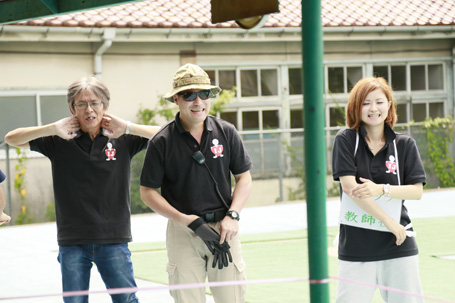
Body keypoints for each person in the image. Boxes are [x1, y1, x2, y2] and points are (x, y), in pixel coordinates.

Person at [5, 76, 160, 303]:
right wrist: (51, 128)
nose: (89, 110)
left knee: (126, 300)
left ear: (105, 107)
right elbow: (11, 139)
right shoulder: (58, 139)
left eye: (95, 103)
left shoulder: (123, 138)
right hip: (72, 241)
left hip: (114, 239)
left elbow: (170, 135)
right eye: (82, 104)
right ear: (72, 108)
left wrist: (127, 126)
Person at [140, 63, 252, 303]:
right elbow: (148, 192)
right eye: (189, 95)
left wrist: (233, 216)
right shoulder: (162, 141)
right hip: (183, 232)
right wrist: (186, 220)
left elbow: (244, 177)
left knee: (232, 298)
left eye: (204, 94)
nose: (198, 101)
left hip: (224, 229)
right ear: (177, 100)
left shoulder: (227, 132)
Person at [332, 77, 426, 303]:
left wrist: (381, 189)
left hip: (398, 243)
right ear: (356, 107)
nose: (373, 109)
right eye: (365, 103)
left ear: (389, 105)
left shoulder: (404, 144)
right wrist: (388, 222)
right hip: (356, 247)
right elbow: (350, 188)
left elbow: (416, 191)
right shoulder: (345, 140)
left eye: (379, 102)